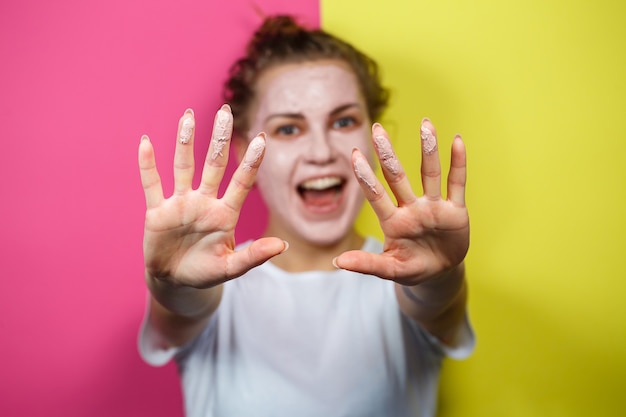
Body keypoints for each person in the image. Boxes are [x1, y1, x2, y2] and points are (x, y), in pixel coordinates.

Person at [137, 15, 474, 417]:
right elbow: (181, 306)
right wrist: (171, 283)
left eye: (344, 121)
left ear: (370, 137)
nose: (320, 151)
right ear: (245, 152)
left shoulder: (407, 281)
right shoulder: (211, 284)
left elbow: (436, 302)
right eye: (288, 129)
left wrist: (440, 276)